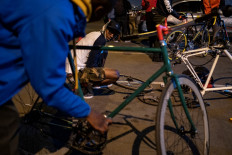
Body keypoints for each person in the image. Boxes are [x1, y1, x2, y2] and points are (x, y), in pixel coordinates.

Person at [0, 0, 115, 154]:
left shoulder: (57, 6)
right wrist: (90, 113)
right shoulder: (58, 15)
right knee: (7, 131)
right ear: (99, 11)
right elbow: (50, 86)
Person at [66, 20, 121, 99]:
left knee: (105, 51)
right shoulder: (100, 39)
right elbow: (91, 64)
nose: (112, 35)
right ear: (105, 29)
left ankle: (88, 84)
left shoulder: (96, 34)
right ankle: (86, 86)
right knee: (115, 74)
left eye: (114, 34)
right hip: (74, 71)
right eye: (110, 32)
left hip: (71, 67)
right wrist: (100, 77)